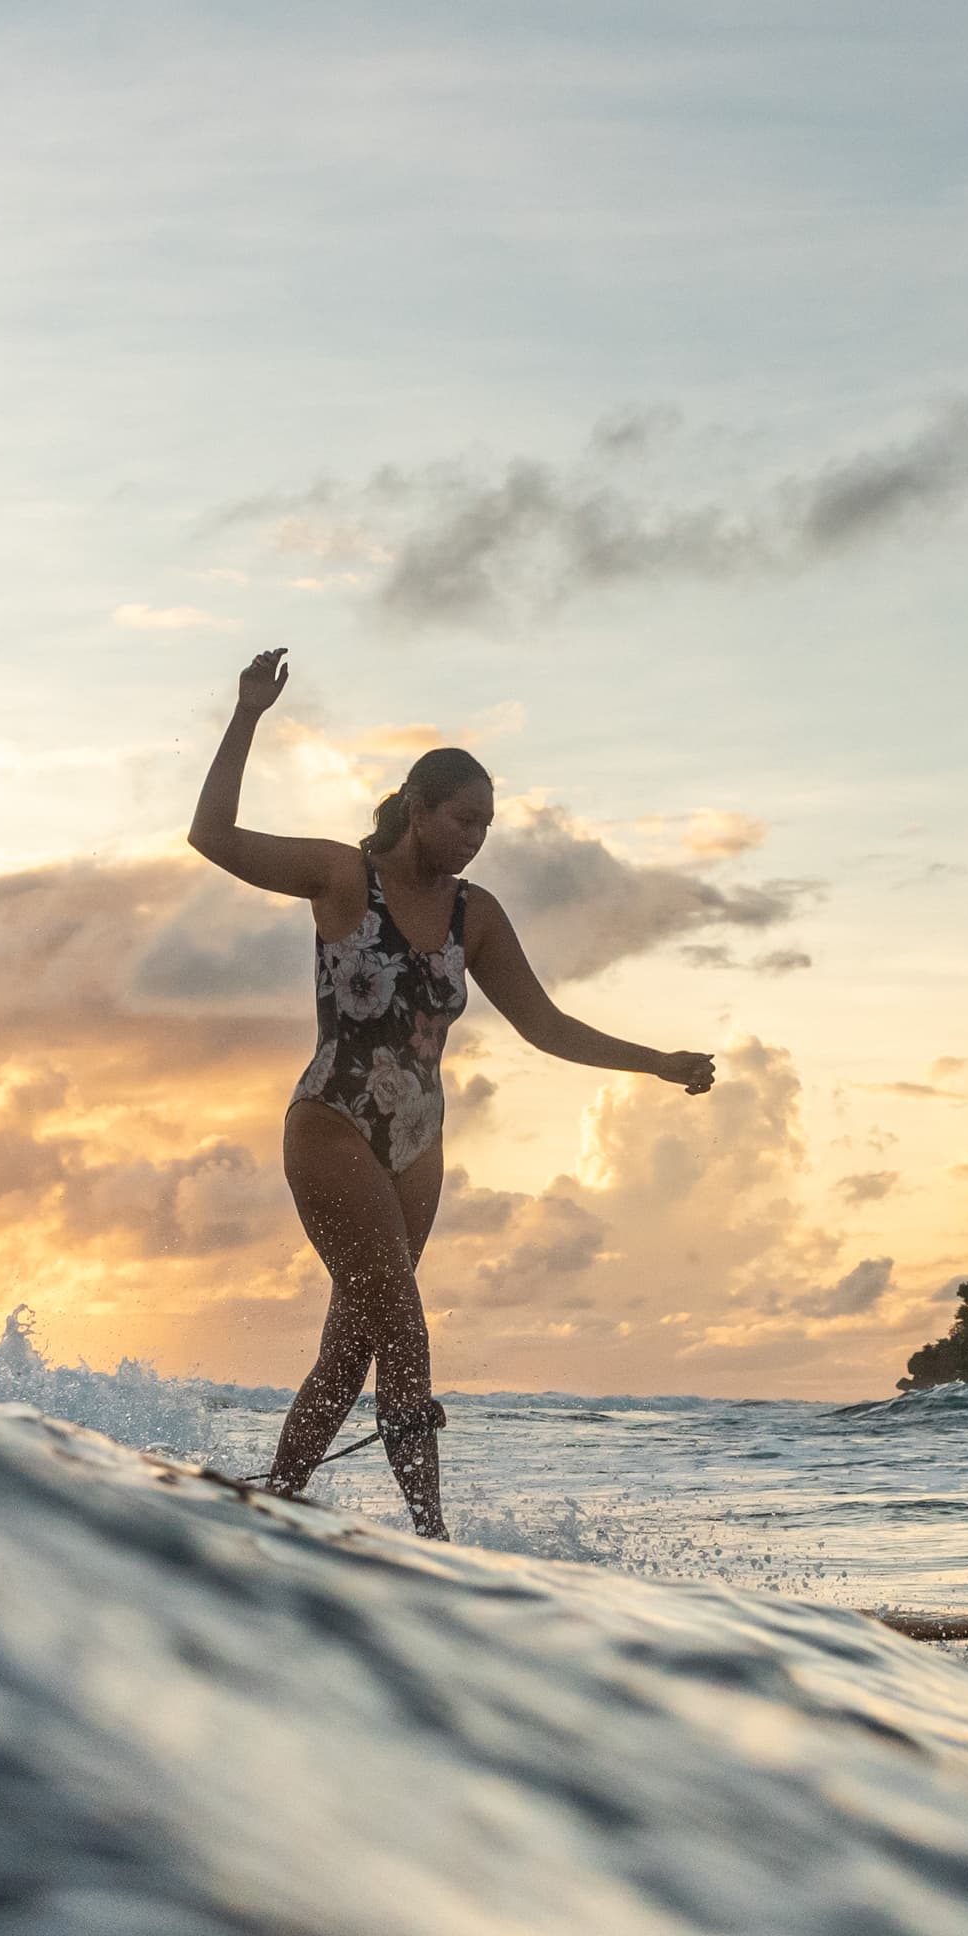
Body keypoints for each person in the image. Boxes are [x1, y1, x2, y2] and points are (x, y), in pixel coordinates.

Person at [187, 648, 715, 1539]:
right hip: (333, 1124)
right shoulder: (343, 876)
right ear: (420, 808)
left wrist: (654, 1062)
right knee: (404, 1325)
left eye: (487, 826)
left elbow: (545, 1026)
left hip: (418, 1148)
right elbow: (214, 837)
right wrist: (247, 715)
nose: (475, 838)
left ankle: (274, 1509)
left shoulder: (478, 915)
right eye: (463, 820)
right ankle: (435, 1543)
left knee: (351, 1347)